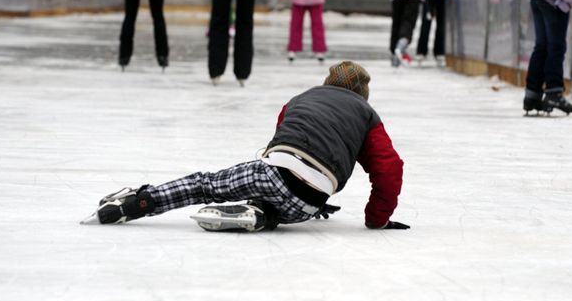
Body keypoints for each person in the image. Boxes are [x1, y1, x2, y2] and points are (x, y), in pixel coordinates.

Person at [82, 61, 409, 232]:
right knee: (281, 205)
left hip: (276, 172)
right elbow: (389, 169)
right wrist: (376, 219)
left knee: (205, 185)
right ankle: (261, 215)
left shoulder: (301, 98)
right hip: (310, 202)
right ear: (363, 94)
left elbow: (284, 140)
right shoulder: (367, 115)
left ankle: (139, 202)